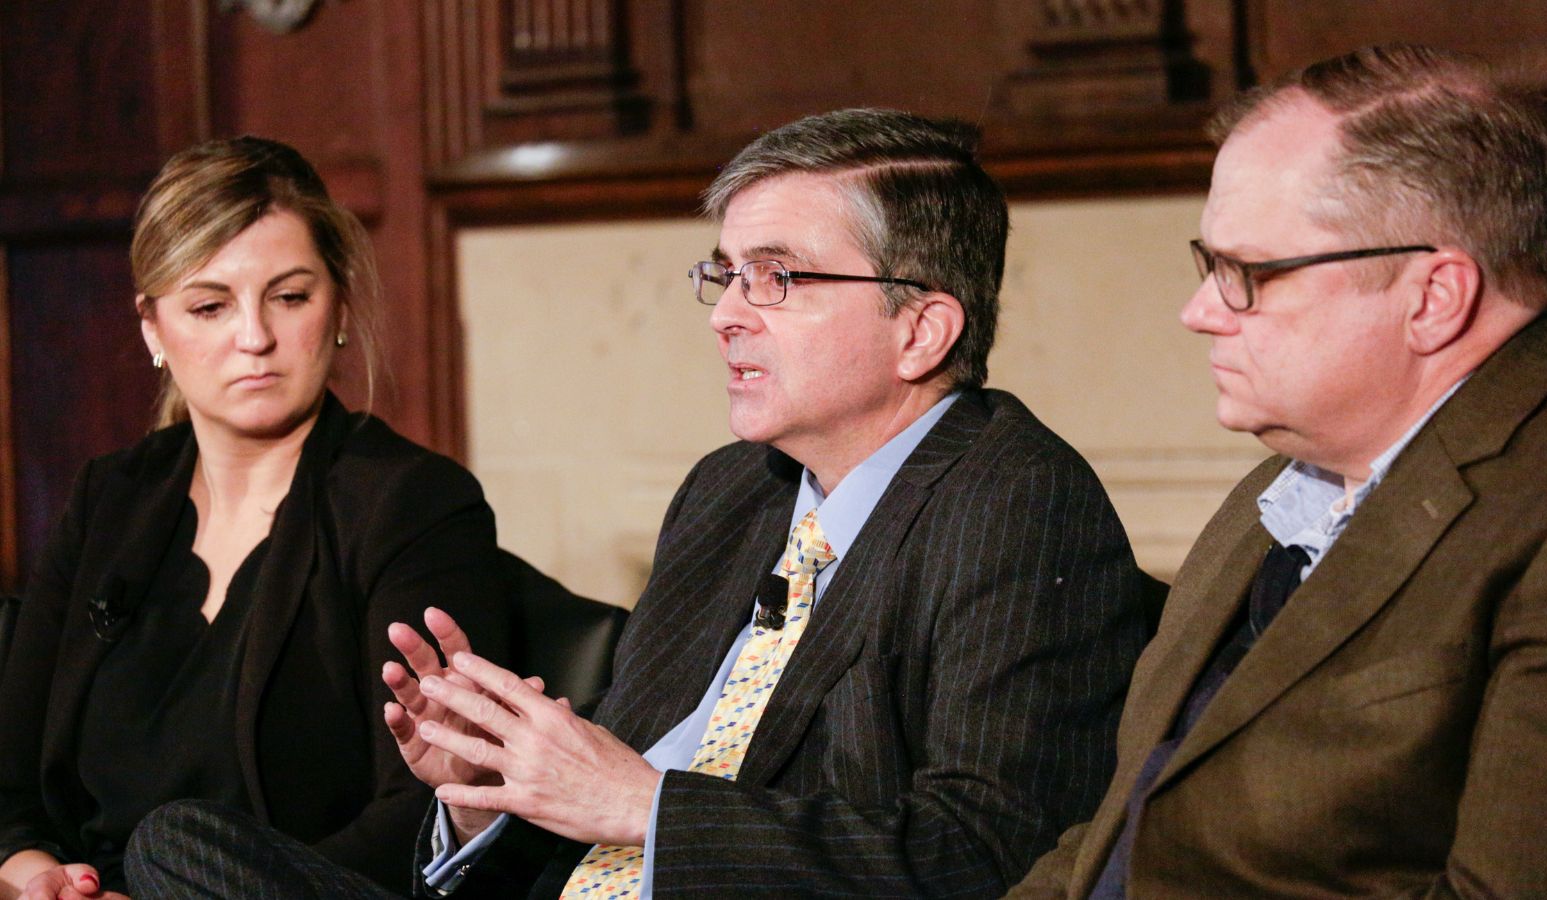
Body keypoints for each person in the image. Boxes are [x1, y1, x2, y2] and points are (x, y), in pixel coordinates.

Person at [126, 109, 1149, 898]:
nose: (728, 318)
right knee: (180, 848)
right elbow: (608, 788)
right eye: (726, 276)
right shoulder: (729, 493)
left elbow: (982, 855)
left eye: (777, 278)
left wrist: (644, 805)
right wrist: (484, 793)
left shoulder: (1017, 501)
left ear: (921, 330)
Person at [1010, 44, 1547, 898]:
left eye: (1248, 273)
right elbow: (1127, 826)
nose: (1199, 312)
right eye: (1205, 264)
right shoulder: (1279, 488)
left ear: (1433, 297)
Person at [0, 136, 509, 899]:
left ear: (337, 303)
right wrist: (34, 876)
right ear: (152, 329)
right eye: (209, 306)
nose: (254, 339)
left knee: (172, 846)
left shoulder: (414, 503)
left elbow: (421, 811)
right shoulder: (110, 497)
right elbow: (11, 783)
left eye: (290, 296)